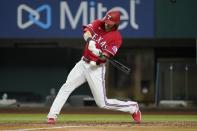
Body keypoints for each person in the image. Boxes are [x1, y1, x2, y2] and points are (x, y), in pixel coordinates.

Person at [47, 9, 141, 124]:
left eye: (110, 23)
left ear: (116, 24)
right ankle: (52, 115)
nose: (107, 24)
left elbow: (105, 57)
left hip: (96, 68)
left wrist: (99, 54)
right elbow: (86, 33)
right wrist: (90, 41)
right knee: (66, 87)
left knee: (102, 103)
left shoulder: (117, 38)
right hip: (83, 64)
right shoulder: (98, 23)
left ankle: (132, 107)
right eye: (106, 21)